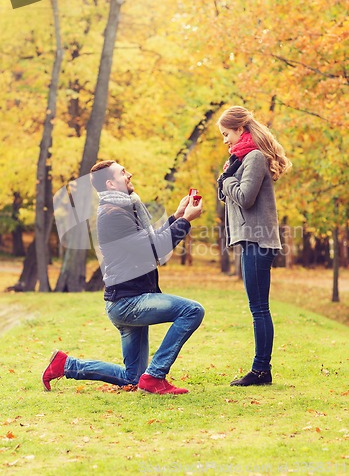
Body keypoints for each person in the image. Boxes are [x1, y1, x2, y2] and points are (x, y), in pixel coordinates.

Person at [42, 160, 204, 395]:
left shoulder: (125, 209)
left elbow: (149, 243)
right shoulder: (113, 215)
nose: (130, 174)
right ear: (110, 183)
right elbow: (155, 250)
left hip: (127, 300)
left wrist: (177, 216)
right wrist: (186, 221)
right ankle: (156, 376)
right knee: (192, 311)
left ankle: (66, 365)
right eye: (122, 172)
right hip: (128, 303)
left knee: (133, 378)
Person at [217, 106, 291, 386]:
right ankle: (261, 369)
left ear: (240, 129)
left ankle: (261, 370)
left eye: (227, 134)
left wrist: (227, 181)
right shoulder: (242, 160)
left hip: (258, 241)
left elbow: (246, 197)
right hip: (251, 240)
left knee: (259, 308)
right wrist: (228, 180)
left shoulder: (255, 158)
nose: (225, 140)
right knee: (257, 307)